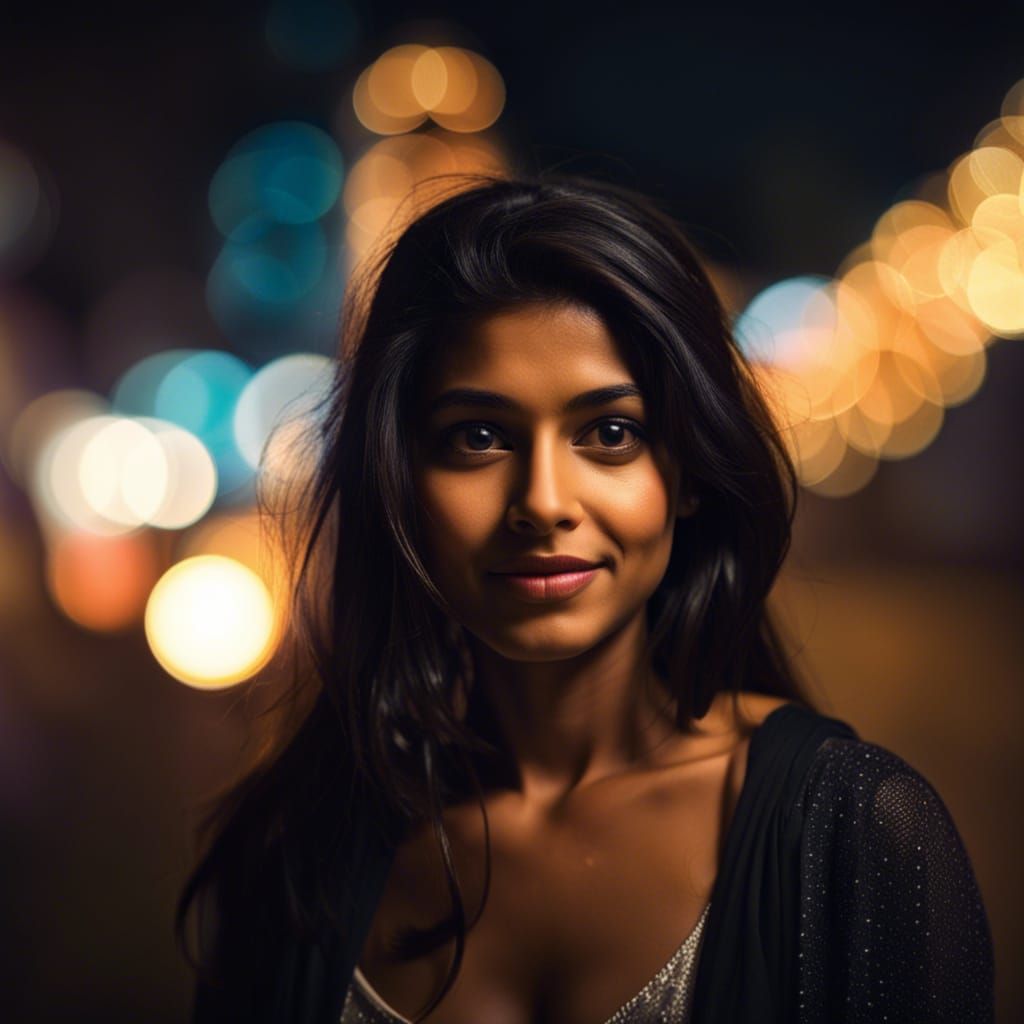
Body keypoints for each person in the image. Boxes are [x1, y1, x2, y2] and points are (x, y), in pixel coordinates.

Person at [176, 173, 995, 1023]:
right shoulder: (295, 854)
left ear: (686, 475)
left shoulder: (855, 834)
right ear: (400, 481)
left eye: (610, 433)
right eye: (479, 436)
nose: (543, 501)